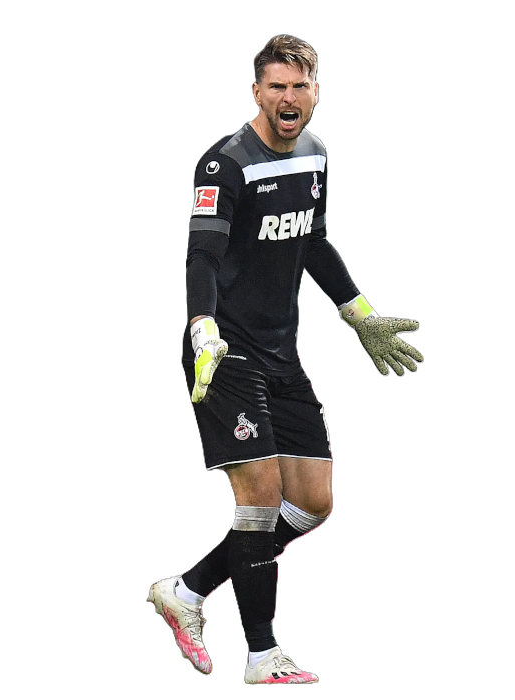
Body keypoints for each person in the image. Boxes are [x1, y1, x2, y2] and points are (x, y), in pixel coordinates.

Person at [148, 34, 423, 685]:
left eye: (300, 85)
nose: (288, 97)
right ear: (257, 93)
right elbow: (201, 255)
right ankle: (262, 656)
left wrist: (360, 316)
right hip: (223, 353)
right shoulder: (224, 164)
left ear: (316, 92)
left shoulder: (316, 153)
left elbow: (316, 242)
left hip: (282, 354)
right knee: (261, 501)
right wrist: (202, 328)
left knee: (313, 504)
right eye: (276, 86)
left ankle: (185, 591)